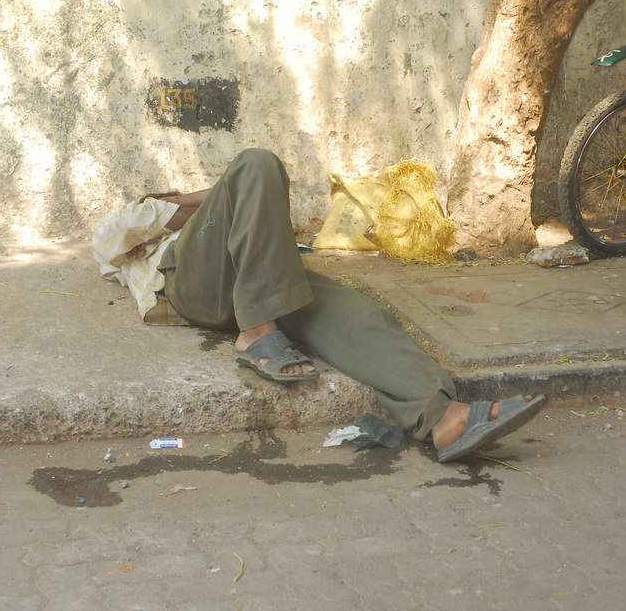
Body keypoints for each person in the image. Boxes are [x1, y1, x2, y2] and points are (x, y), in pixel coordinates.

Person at [92, 148, 545, 462]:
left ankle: (444, 418)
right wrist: (197, 196)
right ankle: (255, 333)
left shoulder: (241, 215)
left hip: (257, 284)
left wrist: (235, 197)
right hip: (192, 289)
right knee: (257, 163)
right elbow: (143, 222)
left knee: (360, 314)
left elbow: (247, 201)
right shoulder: (138, 227)